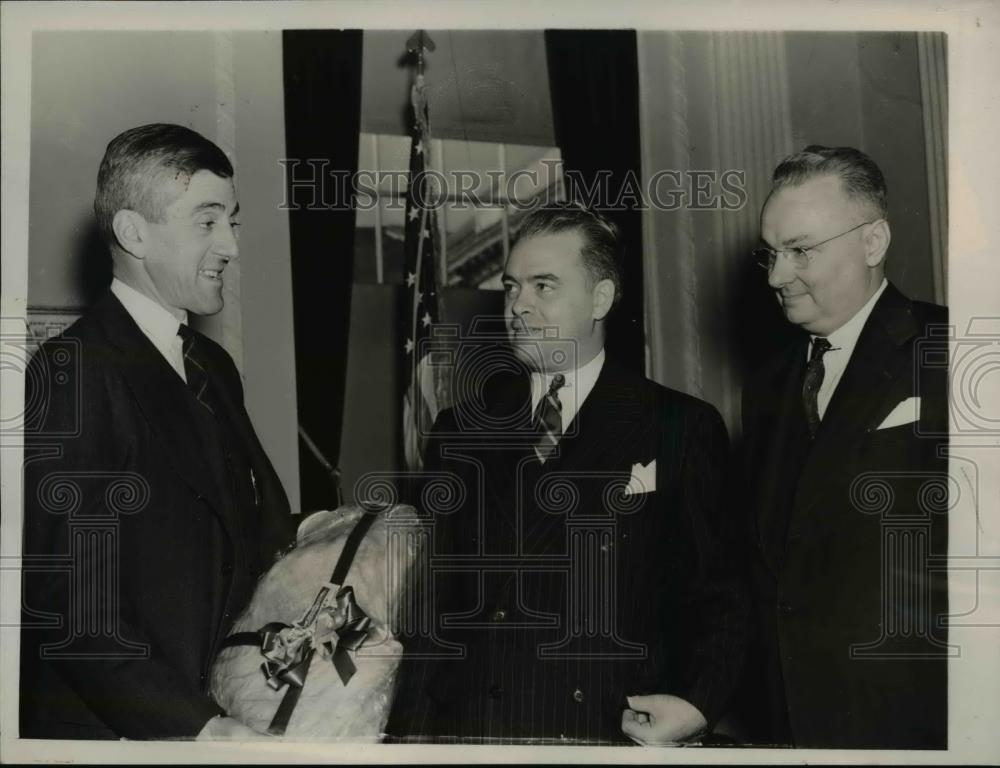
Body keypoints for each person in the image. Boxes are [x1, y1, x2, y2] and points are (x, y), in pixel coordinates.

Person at [388, 202, 749, 744]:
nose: (518, 306)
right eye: (512, 287)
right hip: (475, 735)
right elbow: (434, 611)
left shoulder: (678, 426)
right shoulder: (459, 430)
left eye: (544, 286)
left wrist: (698, 705)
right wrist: (408, 746)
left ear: (600, 297)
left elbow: (720, 594)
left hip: (608, 732)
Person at [20, 124, 296, 740]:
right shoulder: (73, 371)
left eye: (232, 220)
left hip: (220, 713)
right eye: (207, 221)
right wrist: (198, 728)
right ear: (133, 232)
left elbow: (244, 534)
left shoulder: (212, 366)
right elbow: (71, 599)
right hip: (123, 735)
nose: (230, 244)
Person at [740, 146, 949, 748]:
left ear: (872, 242)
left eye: (801, 250)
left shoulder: (956, 353)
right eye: (771, 254)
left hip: (922, 725)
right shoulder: (766, 386)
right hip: (794, 724)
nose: (776, 277)